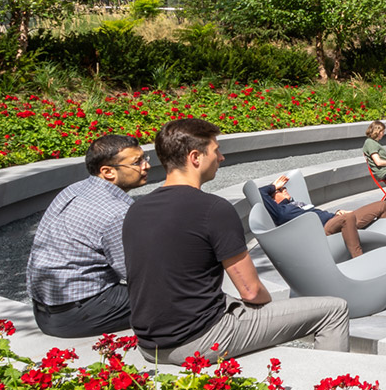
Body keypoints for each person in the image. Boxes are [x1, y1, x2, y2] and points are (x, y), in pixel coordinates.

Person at [124, 117, 350, 365]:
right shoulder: (213, 209)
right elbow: (251, 291)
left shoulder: (137, 209)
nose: (221, 158)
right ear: (195, 158)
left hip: (149, 342)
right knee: (334, 310)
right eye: (216, 151)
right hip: (199, 340)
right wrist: (267, 308)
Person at [26, 134, 146, 338]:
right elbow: (136, 273)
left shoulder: (75, 189)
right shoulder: (116, 211)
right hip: (78, 313)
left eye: (144, 159)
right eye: (137, 162)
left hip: (46, 310)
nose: (146, 166)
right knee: (178, 295)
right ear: (108, 172)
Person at [258, 173, 386, 258]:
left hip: (335, 219)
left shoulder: (295, 203)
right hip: (324, 230)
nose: (285, 189)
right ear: (273, 198)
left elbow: (318, 212)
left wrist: (337, 213)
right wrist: (273, 186)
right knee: (347, 218)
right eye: (280, 190)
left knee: (383, 205)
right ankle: (358, 258)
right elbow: (260, 193)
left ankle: (383, 248)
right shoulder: (280, 211)